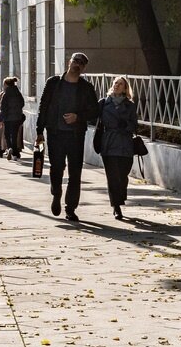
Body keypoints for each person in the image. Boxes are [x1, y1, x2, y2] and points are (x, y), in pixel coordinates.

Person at [35, 52, 100, 221]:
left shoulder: (86, 88)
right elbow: (43, 105)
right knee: (56, 168)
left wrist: (78, 117)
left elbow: (94, 111)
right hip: (55, 133)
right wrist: (39, 131)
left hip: (76, 135)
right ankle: (56, 194)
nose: (77, 65)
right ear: (69, 62)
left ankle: (70, 208)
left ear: (84, 68)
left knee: (75, 172)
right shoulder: (53, 83)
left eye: (81, 63)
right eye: (75, 61)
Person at [99, 76, 139, 220]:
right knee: (112, 177)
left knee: (122, 175)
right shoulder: (104, 103)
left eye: (120, 84)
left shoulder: (130, 105)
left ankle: (120, 196)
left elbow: (135, 125)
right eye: (115, 83)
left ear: (125, 88)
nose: (117, 85)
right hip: (109, 144)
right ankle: (116, 206)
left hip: (125, 144)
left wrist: (126, 125)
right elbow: (94, 119)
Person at [0, 77, 26, 160]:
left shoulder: (6, 94)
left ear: (6, 85)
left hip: (8, 118)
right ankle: (15, 154)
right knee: (15, 135)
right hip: (17, 118)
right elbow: (22, 103)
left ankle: (9, 148)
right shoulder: (18, 93)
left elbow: (3, 108)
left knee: (7, 134)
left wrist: (0, 119)